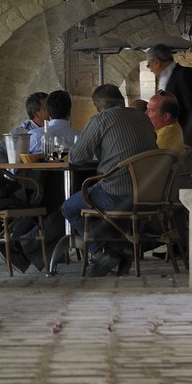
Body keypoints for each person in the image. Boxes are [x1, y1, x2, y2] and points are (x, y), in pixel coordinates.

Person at [62, 83, 157, 276]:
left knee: (69, 207)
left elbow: (76, 157)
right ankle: (120, 249)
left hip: (117, 193)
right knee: (105, 200)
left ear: (98, 107)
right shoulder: (143, 118)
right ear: (121, 100)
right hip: (149, 194)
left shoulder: (101, 120)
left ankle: (103, 251)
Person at [147, 45, 192, 157]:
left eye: (149, 65)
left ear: (156, 62)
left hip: (187, 144)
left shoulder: (185, 74)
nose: (150, 69)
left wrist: (191, 143)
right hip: (174, 141)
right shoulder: (165, 78)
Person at [0, 91, 48, 162]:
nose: (50, 111)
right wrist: (9, 167)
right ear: (35, 114)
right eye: (46, 109)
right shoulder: (22, 133)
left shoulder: (54, 128)